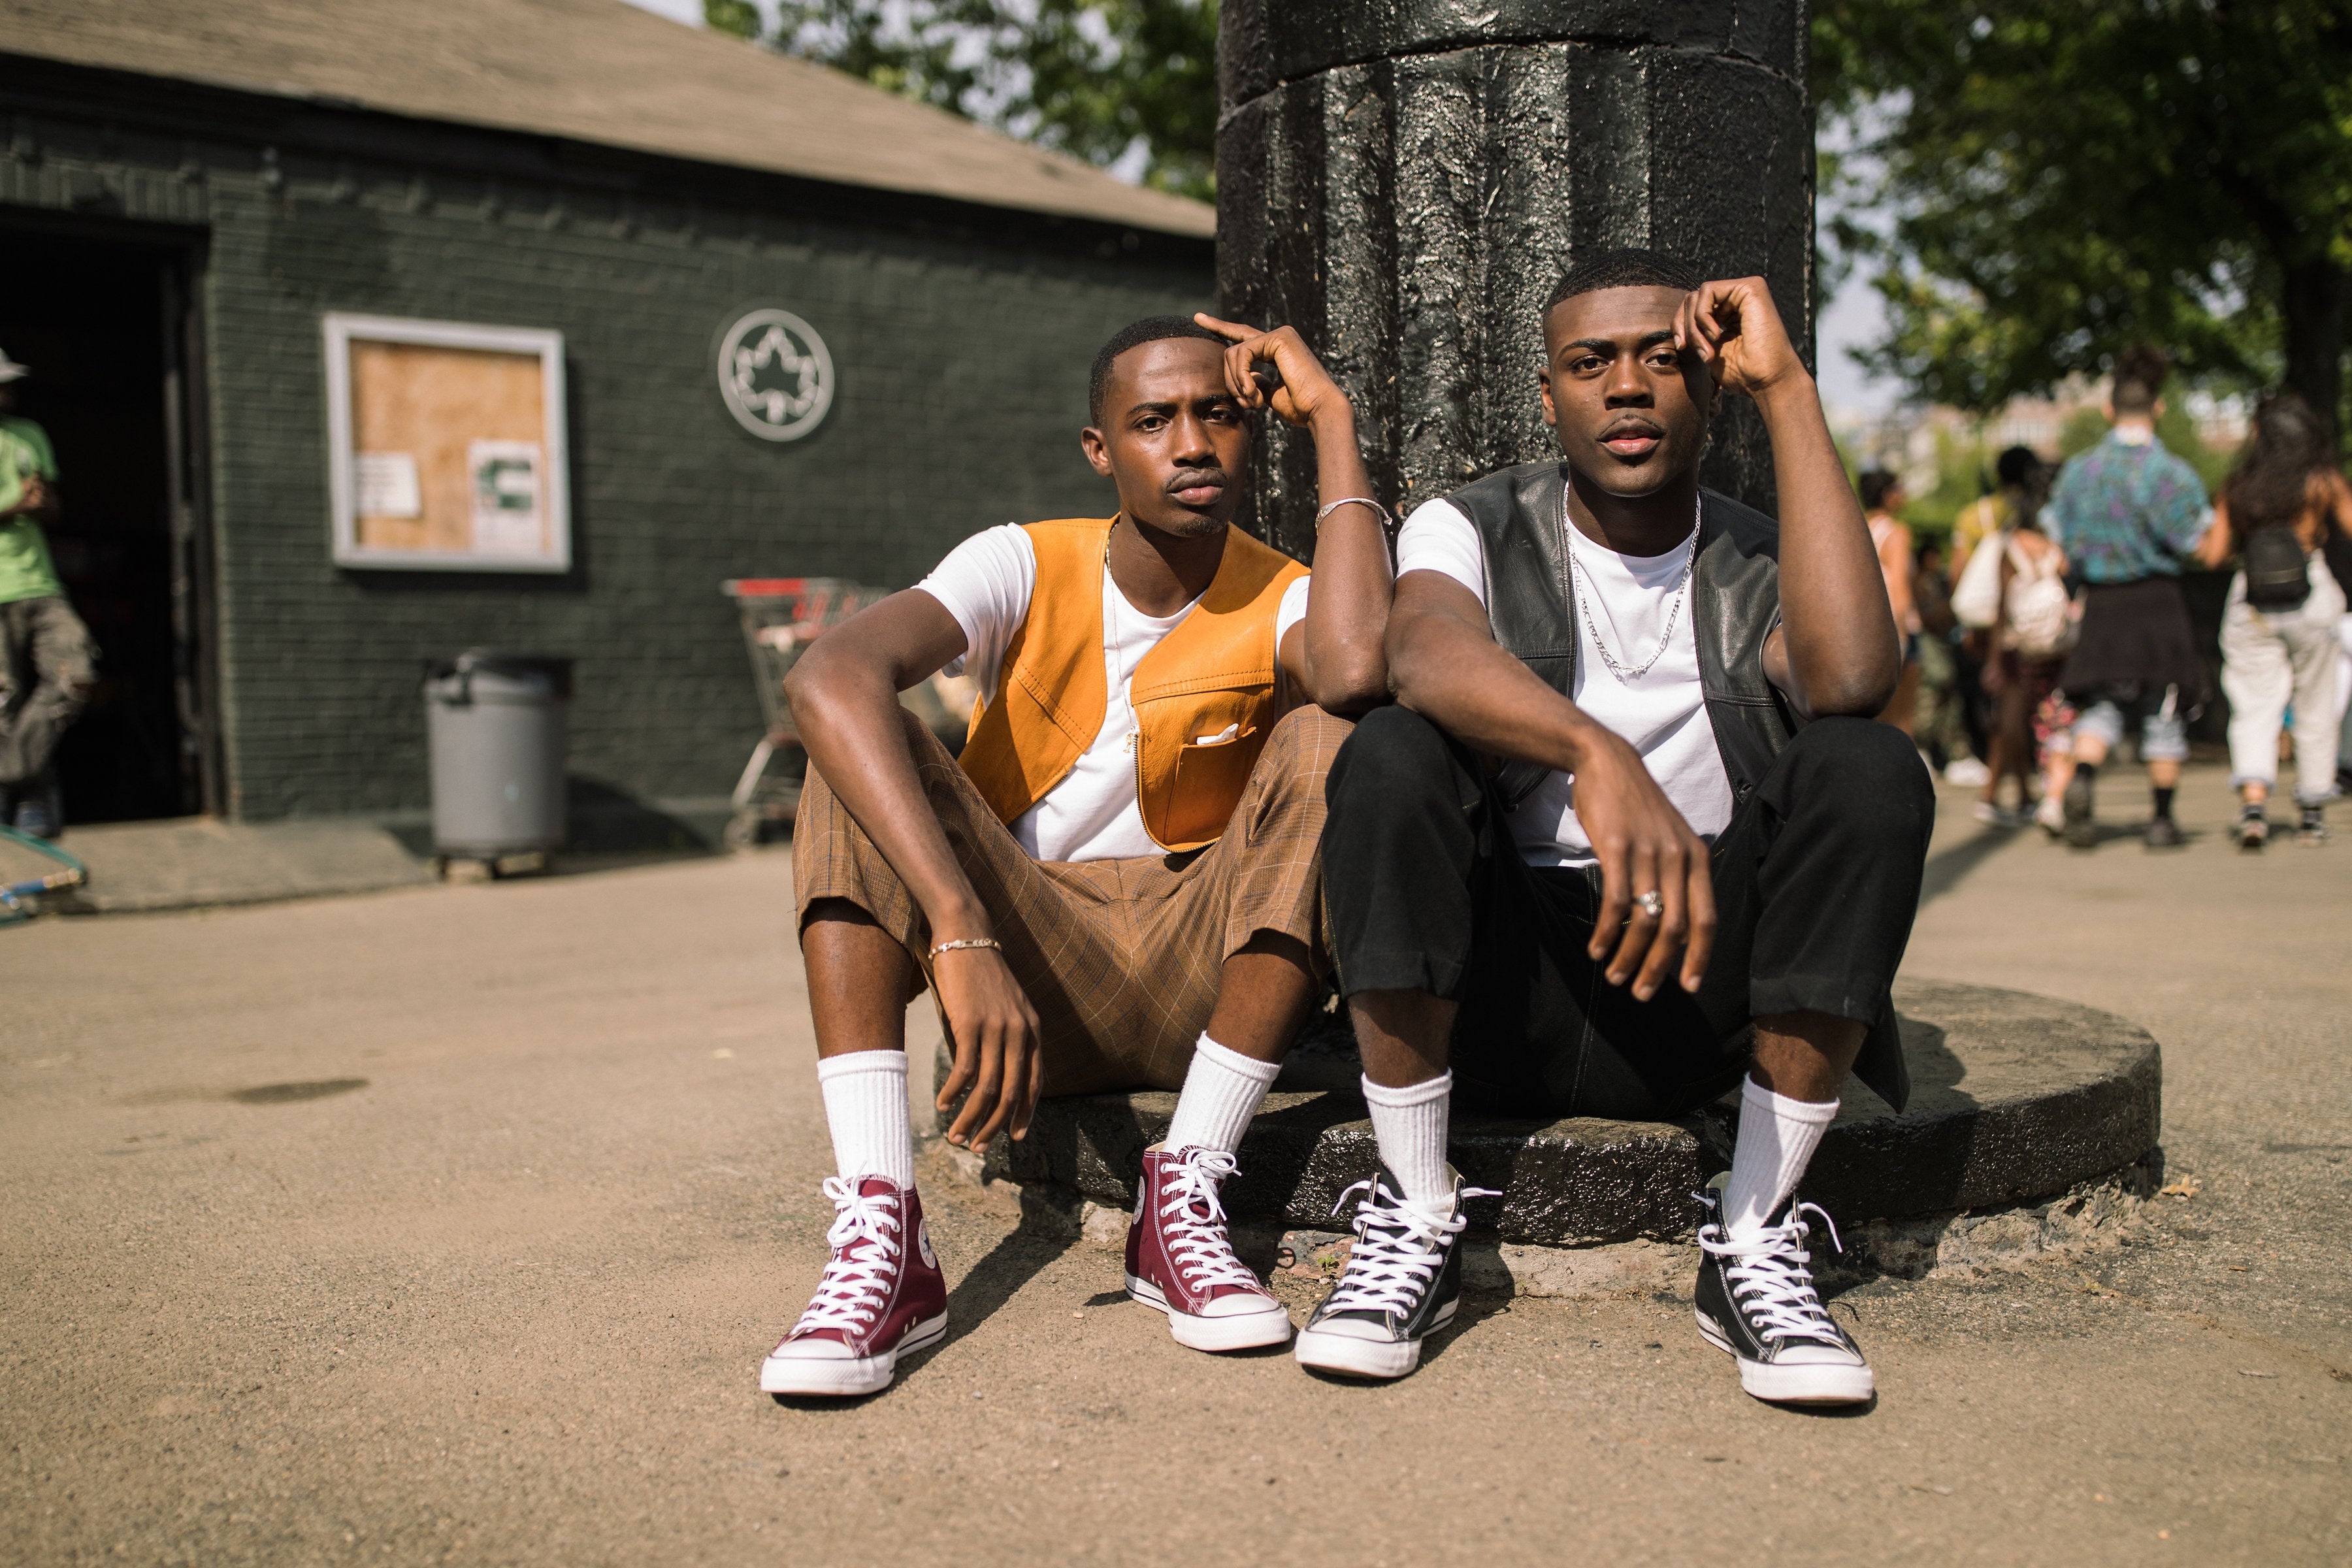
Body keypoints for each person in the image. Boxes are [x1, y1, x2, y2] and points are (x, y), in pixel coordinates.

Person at [1314, 250, 1932, 1403]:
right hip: (1512, 983)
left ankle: (1754, 1230)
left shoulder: (1757, 552)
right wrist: (1594, 751)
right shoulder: (1471, 524)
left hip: (1707, 990)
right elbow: (1417, 650)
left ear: (1710, 382)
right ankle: (1413, 1207)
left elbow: (1853, 677)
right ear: (1550, 398)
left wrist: (1789, 390)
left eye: (1665, 358)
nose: (1630, 387)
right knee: (1391, 750)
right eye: (1591, 364)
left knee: (1869, 763)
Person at [757, 314, 1394, 1397]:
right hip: (1030, 966)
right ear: (1100, 449)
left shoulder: (1283, 591)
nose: (1191, 445)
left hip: (1207, 980)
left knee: (1335, 735)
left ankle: (1184, 1191)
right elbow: (828, 675)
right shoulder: (1023, 560)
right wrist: (959, 927)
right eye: (1153, 422)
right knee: (848, 752)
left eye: (1220, 417)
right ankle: (882, 1231)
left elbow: (1352, 671)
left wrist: (1332, 419)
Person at [2042, 347, 2215, 849]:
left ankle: (2085, 777)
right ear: (2157, 408)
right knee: (2164, 704)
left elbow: (2061, 545)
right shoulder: (2173, 474)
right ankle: (2161, 821)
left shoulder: (2077, 473)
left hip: (2103, 605)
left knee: (2103, 703)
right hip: (2158, 602)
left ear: (2108, 409)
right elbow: (2197, 545)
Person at [2196, 391, 2349, 848]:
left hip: (2253, 600)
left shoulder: (2238, 486)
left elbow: (2214, 555)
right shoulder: (2323, 482)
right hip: (2312, 594)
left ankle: (2255, 805)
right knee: (2316, 705)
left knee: (2254, 702)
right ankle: (2312, 810)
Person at [0, 348, 96, 840]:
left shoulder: (29, 435)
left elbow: (53, 507)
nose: (9, 393)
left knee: (74, 675)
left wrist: (41, 504)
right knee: (3, 698)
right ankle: (30, 800)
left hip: (40, 582)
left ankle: (10, 778)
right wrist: (16, 503)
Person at [1978, 494, 2072, 827]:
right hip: (2057, 649)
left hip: (2016, 649)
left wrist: (1992, 659)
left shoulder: (2011, 548)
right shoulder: (2059, 546)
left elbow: (2002, 607)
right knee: (2056, 719)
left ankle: (2011, 793)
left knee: (2012, 721)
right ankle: (2037, 792)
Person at [1859, 471, 1921, 734]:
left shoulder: (1857, 528)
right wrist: (1904, 636)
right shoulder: (1897, 533)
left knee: (1874, 716)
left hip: (1865, 627)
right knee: (1902, 718)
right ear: (1887, 495)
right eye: (1899, 488)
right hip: (1896, 626)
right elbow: (1900, 588)